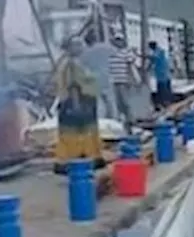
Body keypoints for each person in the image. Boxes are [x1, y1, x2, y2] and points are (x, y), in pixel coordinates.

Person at [52, 37, 101, 167]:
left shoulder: (73, 63)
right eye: (77, 45)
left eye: (81, 44)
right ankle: (74, 160)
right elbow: (73, 85)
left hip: (81, 101)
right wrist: (76, 104)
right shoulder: (71, 65)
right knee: (76, 134)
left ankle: (82, 157)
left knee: (83, 132)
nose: (81, 47)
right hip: (77, 101)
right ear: (70, 48)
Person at [108, 34, 137, 123]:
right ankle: (121, 119)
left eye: (120, 40)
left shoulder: (126, 52)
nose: (118, 42)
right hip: (112, 81)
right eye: (117, 40)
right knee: (116, 103)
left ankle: (130, 119)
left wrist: (131, 79)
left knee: (125, 101)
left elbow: (130, 66)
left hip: (123, 81)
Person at [148, 40, 173, 108]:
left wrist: (140, 56)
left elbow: (153, 58)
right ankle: (163, 103)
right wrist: (148, 68)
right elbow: (152, 61)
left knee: (164, 90)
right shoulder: (158, 51)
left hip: (163, 74)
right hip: (161, 74)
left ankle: (166, 103)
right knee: (161, 90)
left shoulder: (159, 51)